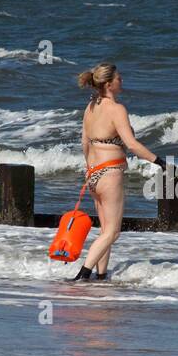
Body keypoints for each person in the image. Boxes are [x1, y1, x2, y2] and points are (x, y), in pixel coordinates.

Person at [72, 62, 162, 282]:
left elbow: (85, 141)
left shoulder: (91, 106)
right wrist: (160, 162)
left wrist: (89, 167)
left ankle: (101, 277)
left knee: (105, 231)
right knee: (113, 232)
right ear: (109, 84)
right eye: (119, 78)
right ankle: (82, 275)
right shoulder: (117, 109)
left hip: (93, 173)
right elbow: (132, 144)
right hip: (110, 173)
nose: (122, 81)